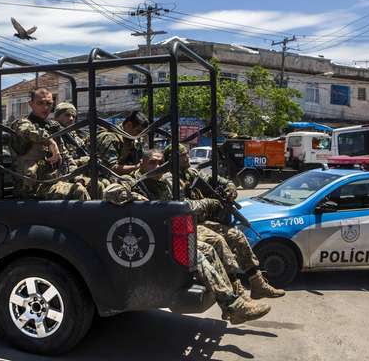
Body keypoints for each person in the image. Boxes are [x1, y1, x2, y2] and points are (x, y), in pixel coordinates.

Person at [103, 149, 271, 324]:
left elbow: (182, 204)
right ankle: (232, 306)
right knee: (196, 254)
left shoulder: (166, 181)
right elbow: (110, 192)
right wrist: (139, 199)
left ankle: (237, 298)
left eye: (160, 163)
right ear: (143, 163)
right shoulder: (133, 180)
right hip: (151, 238)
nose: (157, 166)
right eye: (153, 162)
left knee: (214, 245)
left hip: (173, 232)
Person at [165, 144, 285, 299]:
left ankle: (258, 284)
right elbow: (183, 207)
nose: (187, 157)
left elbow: (222, 181)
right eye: (183, 155)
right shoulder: (170, 179)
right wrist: (209, 202)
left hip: (202, 221)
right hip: (187, 224)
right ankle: (238, 292)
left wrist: (230, 189)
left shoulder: (191, 173)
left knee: (238, 236)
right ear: (174, 159)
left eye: (187, 154)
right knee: (219, 241)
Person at [9, 88, 89, 200]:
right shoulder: (22, 123)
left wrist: (78, 179)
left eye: (49, 103)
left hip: (55, 182)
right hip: (33, 188)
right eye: (40, 103)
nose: (45, 107)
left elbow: (67, 159)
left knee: (96, 185)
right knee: (78, 192)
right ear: (31, 104)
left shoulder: (53, 128)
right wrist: (50, 142)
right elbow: (27, 131)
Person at [96, 111, 148, 175]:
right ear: (129, 125)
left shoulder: (131, 139)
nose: (140, 135)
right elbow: (112, 169)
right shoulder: (111, 138)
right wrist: (137, 167)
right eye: (138, 131)